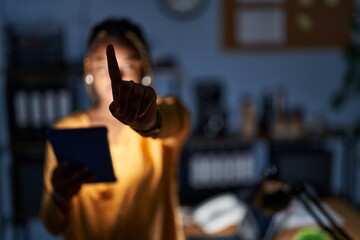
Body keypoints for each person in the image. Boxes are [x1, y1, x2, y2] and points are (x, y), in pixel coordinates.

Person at [40, 18, 191, 240]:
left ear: (144, 70)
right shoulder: (66, 132)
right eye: (103, 66)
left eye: (128, 65)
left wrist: (149, 122)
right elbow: (52, 224)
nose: (116, 78)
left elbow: (175, 119)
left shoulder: (166, 112)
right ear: (88, 72)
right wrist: (60, 197)